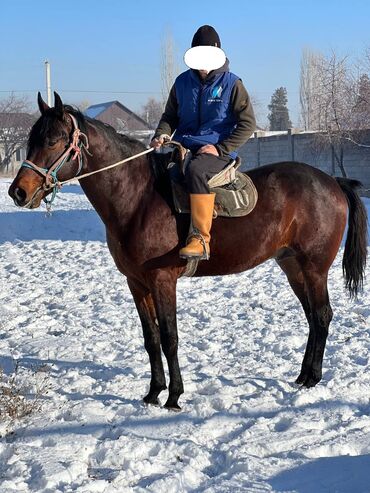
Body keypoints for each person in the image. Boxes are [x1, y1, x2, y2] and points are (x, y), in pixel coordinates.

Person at [151, 25, 256, 260]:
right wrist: (162, 134)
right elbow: (170, 117)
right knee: (155, 170)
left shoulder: (232, 84)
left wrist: (220, 148)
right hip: (182, 146)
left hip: (215, 152)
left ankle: (200, 239)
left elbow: (248, 124)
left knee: (196, 171)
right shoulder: (181, 83)